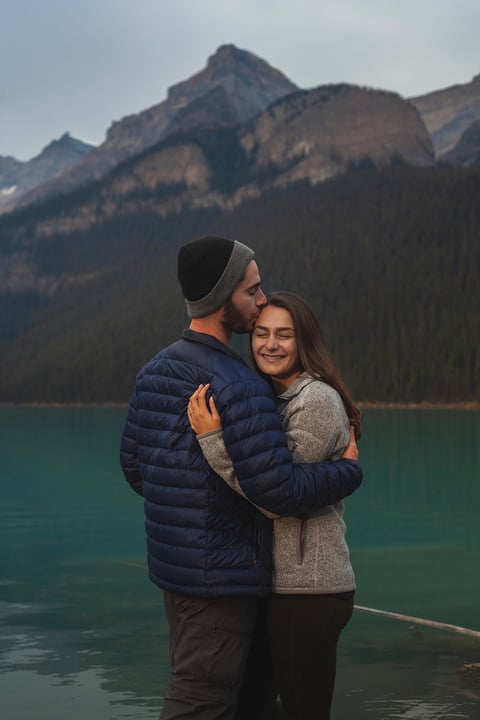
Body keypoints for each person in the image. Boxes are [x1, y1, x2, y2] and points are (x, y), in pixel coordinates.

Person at [119, 236, 362, 720]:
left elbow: (135, 469)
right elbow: (280, 492)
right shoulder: (241, 384)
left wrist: (189, 508)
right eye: (252, 292)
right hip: (222, 577)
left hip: (175, 572)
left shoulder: (153, 371)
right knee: (200, 703)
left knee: (223, 697)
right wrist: (347, 472)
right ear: (221, 297)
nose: (262, 299)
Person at [188, 290, 362, 720]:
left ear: (304, 340)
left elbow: (277, 498)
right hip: (283, 586)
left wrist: (214, 443)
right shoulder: (274, 399)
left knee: (304, 711)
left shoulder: (316, 400)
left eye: (284, 335)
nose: (270, 343)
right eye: (262, 333)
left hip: (310, 588)